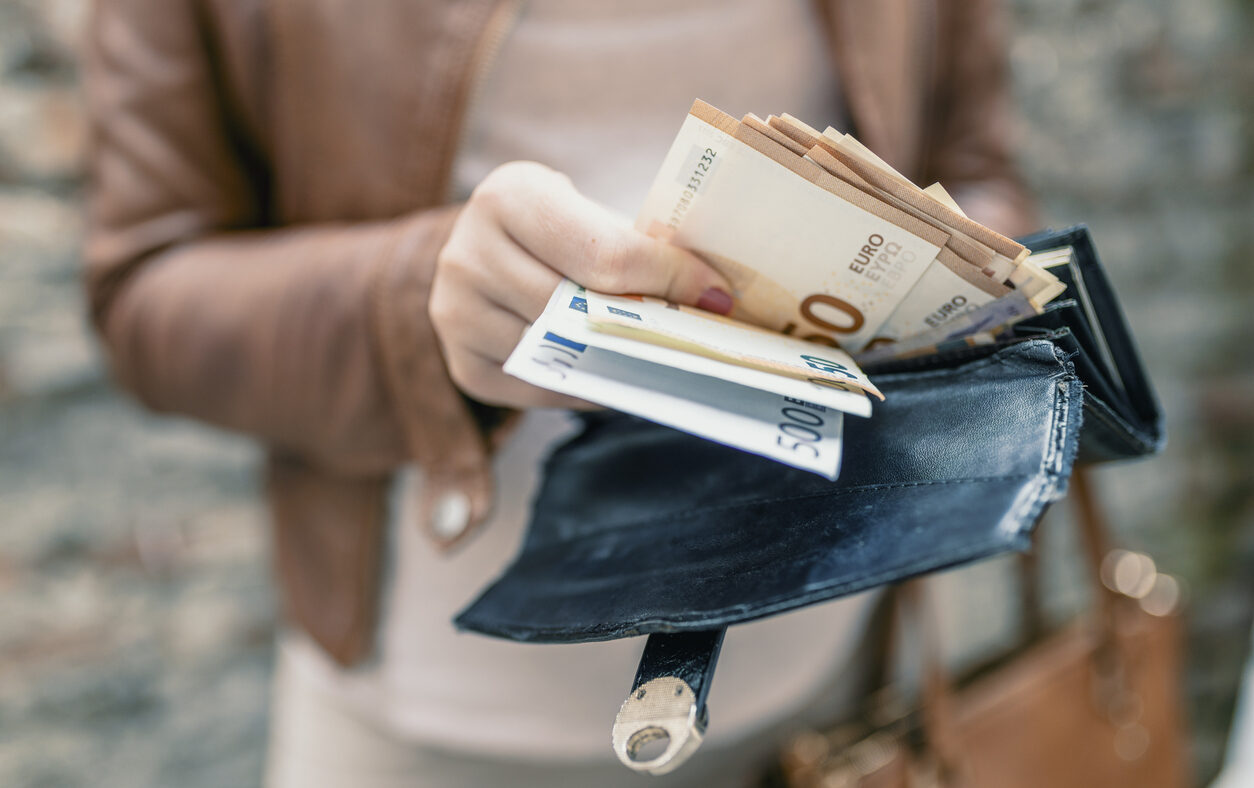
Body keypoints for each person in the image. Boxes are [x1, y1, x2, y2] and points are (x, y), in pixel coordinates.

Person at [83, 1, 1037, 785]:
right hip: (435, 721)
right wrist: (419, 299)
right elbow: (144, 293)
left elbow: (979, 170)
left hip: (835, 660)